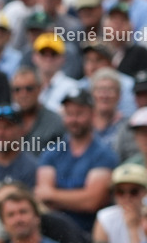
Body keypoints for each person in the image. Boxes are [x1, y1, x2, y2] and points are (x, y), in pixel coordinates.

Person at [36, 87, 118, 233]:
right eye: (69, 114)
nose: (73, 119)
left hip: (88, 233)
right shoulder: (52, 152)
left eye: (79, 114)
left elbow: (92, 201)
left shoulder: (104, 154)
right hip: (54, 232)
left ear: (92, 114)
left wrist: (53, 195)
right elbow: (42, 196)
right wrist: (78, 197)